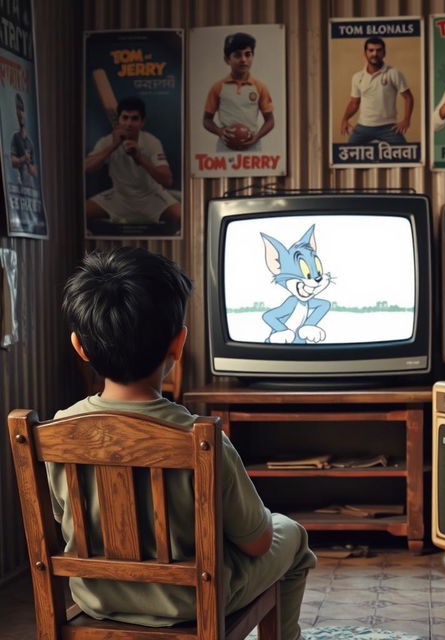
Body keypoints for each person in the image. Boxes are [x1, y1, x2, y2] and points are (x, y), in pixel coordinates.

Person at [50, 247, 316, 638]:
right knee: (290, 533)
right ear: (178, 344)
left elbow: (63, 522)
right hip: (192, 600)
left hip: (97, 597)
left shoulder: (56, 433)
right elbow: (258, 542)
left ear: (80, 347)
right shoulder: (202, 439)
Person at [84, 96, 180, 228]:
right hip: (119, 196)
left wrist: (139, 158)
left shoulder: (151, 142)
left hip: (150, 196)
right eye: (125, 118)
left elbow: (167, 180)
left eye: (134, 119)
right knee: (81, 212)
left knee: (181, 216)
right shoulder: (106, 141)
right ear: (118, 120)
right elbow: (86, 168)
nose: (129, 123)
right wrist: (113, 146)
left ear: (142, 122)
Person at [203, 32, 275, 152]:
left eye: (248, 54)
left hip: (252, 147)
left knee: (255, 172)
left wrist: (256, 137)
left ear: (253, 57)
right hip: (225, 147)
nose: (243, 60)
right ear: (227, 59)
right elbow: (206, 120)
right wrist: (220, 132)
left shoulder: (260, 87)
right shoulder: (218, 87)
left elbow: (270, 120)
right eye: (237, 55)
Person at [340, 36, 414, 145]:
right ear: (365, 53)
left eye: (378, 50)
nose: (374, 54)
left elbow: (408, 98)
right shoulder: (357, 77)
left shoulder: (393, 73)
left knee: (406, 155)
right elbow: (354, 103)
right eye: (371, 50)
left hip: (388, 127)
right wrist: (344, 120)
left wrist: (406, 120)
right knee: (348, 154)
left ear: (384, 53)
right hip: (363, 127)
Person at [11, 93, 38, 187]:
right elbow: (13, 162)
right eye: (18, 111)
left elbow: (35, 172)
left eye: (22, 110)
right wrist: (23, 159)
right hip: (21, 186)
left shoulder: (30, 143)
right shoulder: (15, 137)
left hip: (31, 187)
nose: (21, 114)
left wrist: (31, 168)